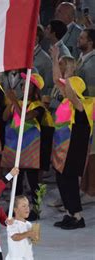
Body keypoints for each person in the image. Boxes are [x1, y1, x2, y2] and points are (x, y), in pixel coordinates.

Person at [50, 45, 92, 230]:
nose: (62, 88)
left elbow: (71, 94)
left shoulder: (82, 105)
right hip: (61, 147)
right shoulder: (66, 102)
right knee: (60, 178)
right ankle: (69, 212)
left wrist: (68, 76)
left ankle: (77, 216)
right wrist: (54, 59)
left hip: (73, 149)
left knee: (69, 179)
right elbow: (55, 80)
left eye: (67, 86)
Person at [0, 73, 53, 220]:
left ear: (35, 89)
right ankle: (15, 208)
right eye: (23, 85)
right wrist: (12, 102)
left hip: (32, 150)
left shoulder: (39, 106)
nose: (23, 87)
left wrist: (13, 101)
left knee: (33, 181)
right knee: (16, 178)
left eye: (28, 85)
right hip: (16, 147)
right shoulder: (17, 102)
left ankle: (36, 209)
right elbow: (5, 117)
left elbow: (26, 117)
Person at [5, 196, 37, 260]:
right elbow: (15, 237)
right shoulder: (12, 223)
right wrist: (28, 233)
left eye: (28, 206)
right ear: (15, 209)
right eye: (23, 206)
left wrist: (34, 235)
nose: (27, 208)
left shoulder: (29, 224)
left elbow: (34, 240)